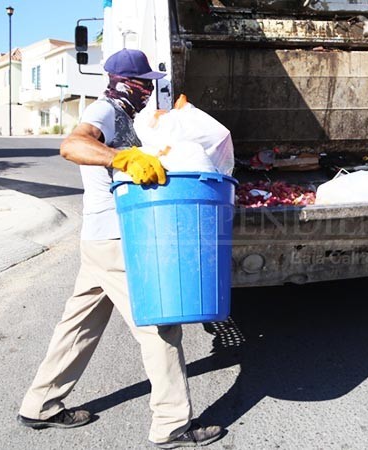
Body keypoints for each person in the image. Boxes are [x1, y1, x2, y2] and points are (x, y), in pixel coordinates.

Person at [16, 49, 223, 449]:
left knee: (78, 324)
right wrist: (122, 158)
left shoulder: (128, 114)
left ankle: (40, 404)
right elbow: (72, 145)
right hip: (115, 239)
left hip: (99, 240)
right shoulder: (105, 110)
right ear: (124, 82)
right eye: (143, 83)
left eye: (150, 83)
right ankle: (172, 425)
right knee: (159, 325)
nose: (148, 90)